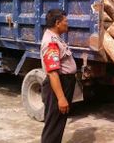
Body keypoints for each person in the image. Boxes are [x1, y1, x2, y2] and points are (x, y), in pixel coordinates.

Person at [41, 9, 77, 143]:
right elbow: (52, 72)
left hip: (63, 83)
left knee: (58, 124)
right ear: (57, 23)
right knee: (53, 126)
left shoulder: (56, 38)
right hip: (57, 85)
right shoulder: (51, 42)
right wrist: (61, 98)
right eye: (65, 22)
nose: (67, 24)